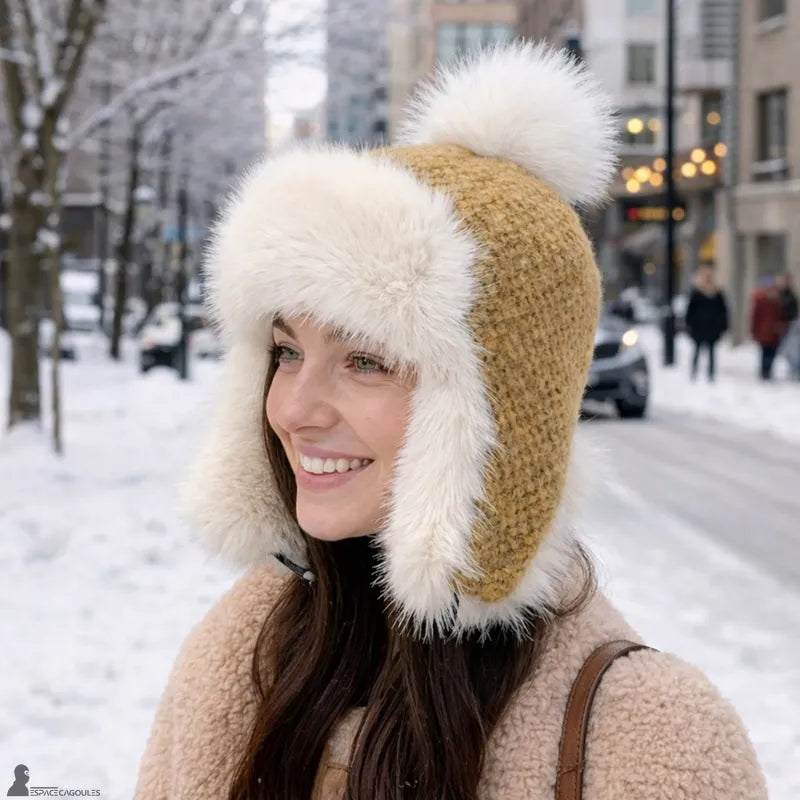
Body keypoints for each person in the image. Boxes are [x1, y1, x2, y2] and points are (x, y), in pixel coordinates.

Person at [134, 45, 766, 800]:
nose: (293, 410)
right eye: (286, 351)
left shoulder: (652, 738)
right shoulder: (243, 654)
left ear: (498, 413)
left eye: (366, 360)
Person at [684, 264, 728, 381]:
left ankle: (711, 374)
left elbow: (723, 311)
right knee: (697, 351)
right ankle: (694, 372)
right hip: (699, 328)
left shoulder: (717, 293)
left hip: (712, 328)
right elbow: (690, 310)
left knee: (712, 353)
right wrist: (689, 325)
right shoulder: (697, 293)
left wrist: (723, 326)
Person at [751, 279, 787, 380]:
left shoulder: (777, 304)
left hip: (774, 334)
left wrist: (782, 326)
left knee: (772, 353)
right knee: (764, 353)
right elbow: (755, 318)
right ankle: (764, 371)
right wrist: (754, 331)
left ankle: (768, 370)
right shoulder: (761, 303)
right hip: (763, 333)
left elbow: (782, 318)